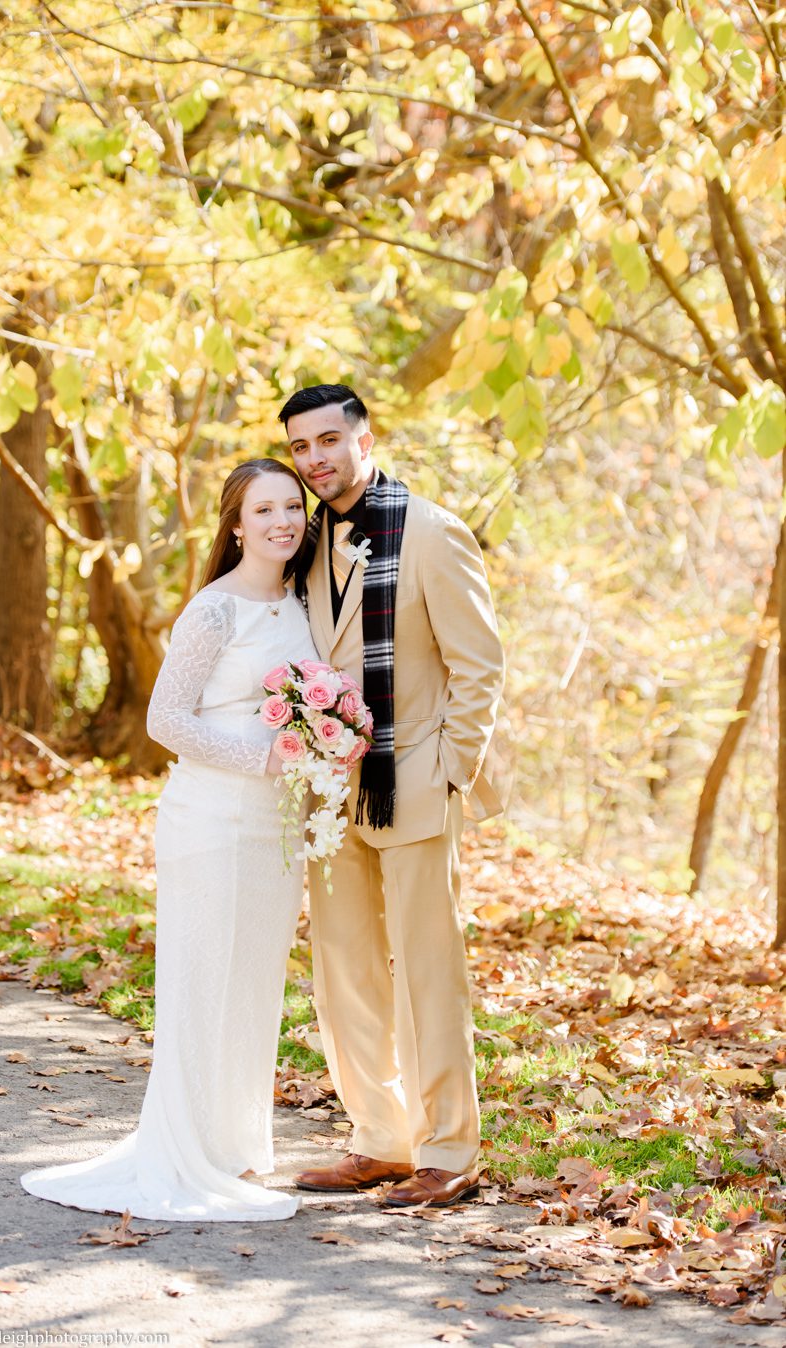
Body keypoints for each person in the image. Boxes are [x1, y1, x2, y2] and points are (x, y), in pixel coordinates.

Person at [20, 459, 320, 1222]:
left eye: (292, 506)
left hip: (277, 826)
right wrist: (259, 759)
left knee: (253, 983)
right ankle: (185, 1150)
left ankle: (233, 1145)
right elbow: (165, 721)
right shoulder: (212, 611)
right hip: (210, 819)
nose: (282, 521)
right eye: (264, 510)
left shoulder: (305, 603)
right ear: (236, 525)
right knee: (203, 979)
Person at [282, 385, 505, 1209]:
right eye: (300, 447)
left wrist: (449, 770)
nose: (315, 459)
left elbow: (480, 665)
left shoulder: (433, 533)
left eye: (328, 441)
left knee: (425, 971)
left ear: (364, 440)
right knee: (343, 970)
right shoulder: (305, 544)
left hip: (413, 776)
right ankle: (380, 1138)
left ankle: (447, 1149)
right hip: (329, 787)